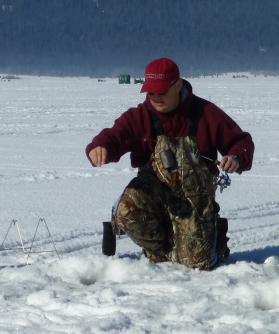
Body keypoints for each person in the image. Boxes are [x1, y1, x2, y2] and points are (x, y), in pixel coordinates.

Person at [86, 58, 253, 270]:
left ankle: (212, 237)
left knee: (197, 264)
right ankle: (162, 248)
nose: (155, 98)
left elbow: (241, 141)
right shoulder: (139, 116)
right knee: (130, 212)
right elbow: (114, 136)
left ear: (178, 85)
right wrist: (99, 147)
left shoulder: (206, 114)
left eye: (162, 92)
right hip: (153, 196)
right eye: (151, 92)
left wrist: (237, 157)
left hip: (193, 200)